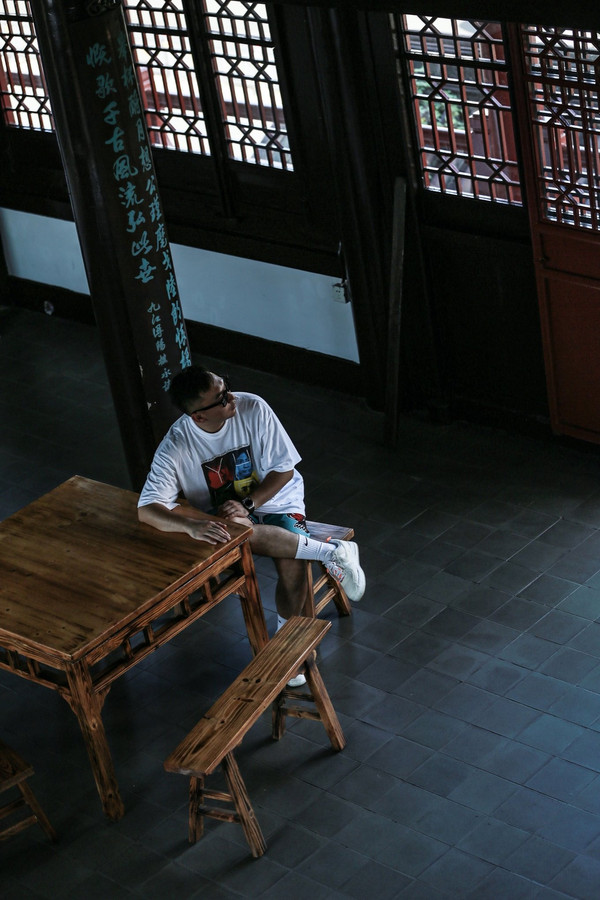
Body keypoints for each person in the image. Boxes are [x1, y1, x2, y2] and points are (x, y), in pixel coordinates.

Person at [137, 367, 365, 685]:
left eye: (226, 387)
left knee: (292, 563)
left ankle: (287, 646)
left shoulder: (253, 407)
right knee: (233, 529)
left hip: (277, 500)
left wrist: (248, 504)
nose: (232, 397)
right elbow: (147, 509)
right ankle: (331, 552)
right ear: (199, 416)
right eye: (221, 398)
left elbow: (284, 470)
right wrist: (190, 526)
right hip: (230, 519)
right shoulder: (177, 444)